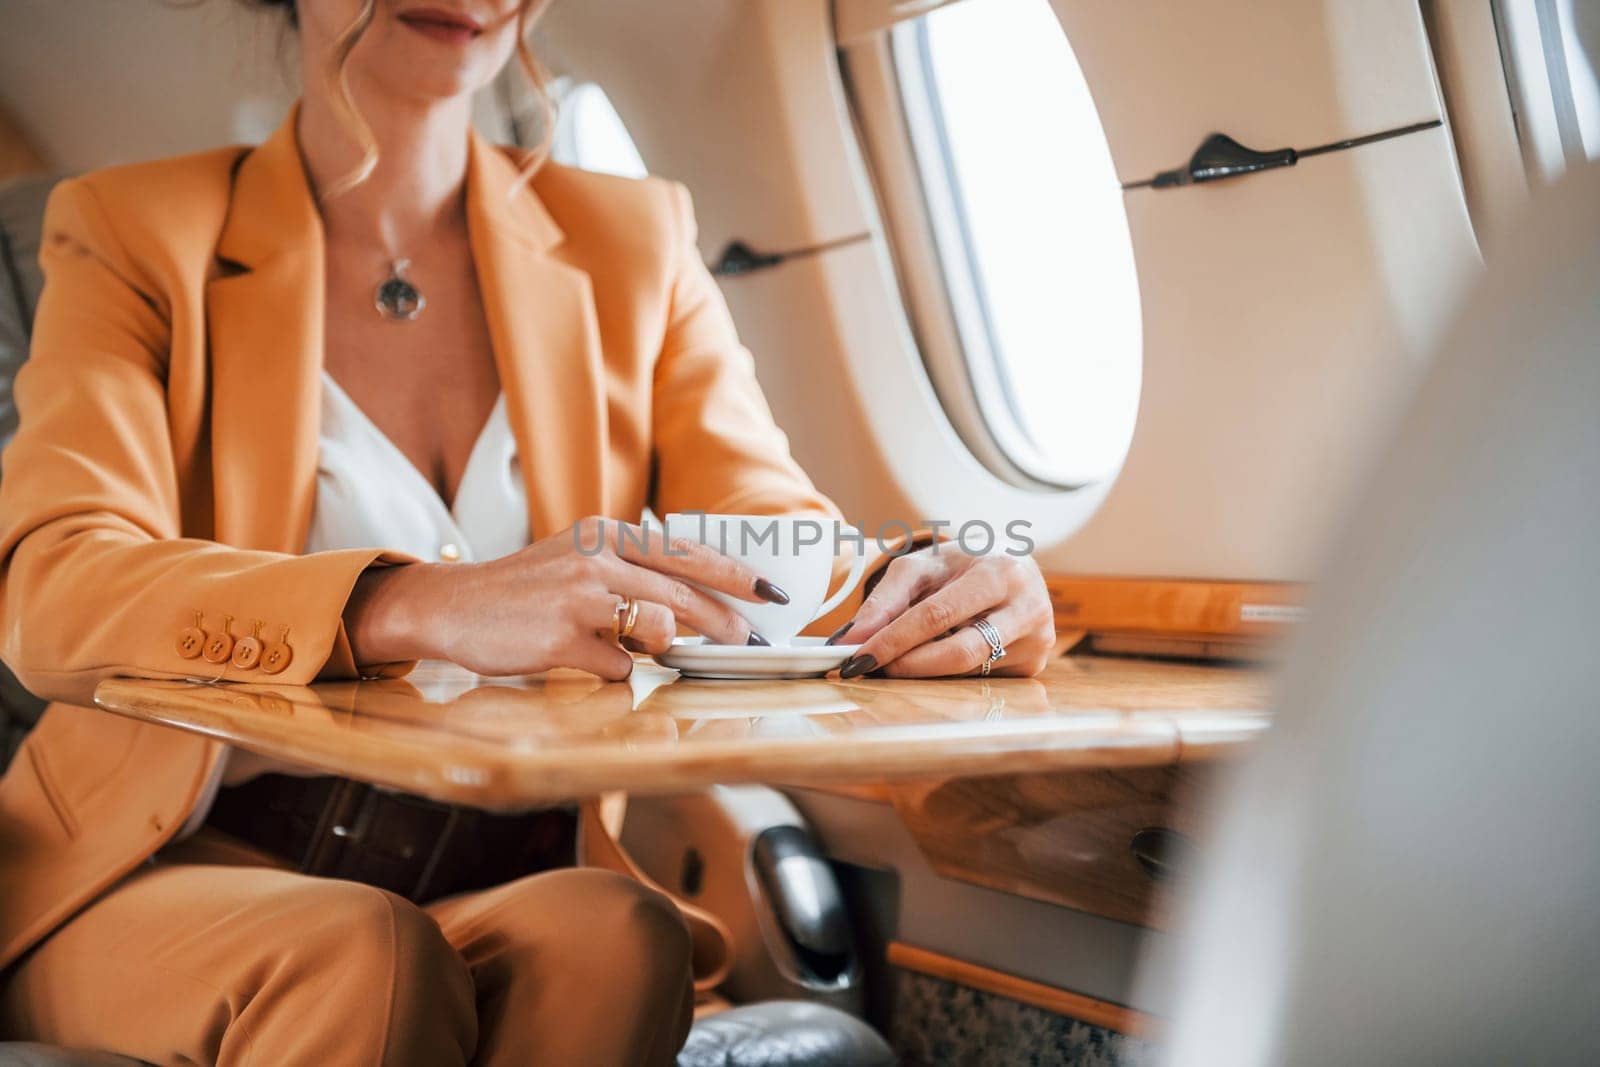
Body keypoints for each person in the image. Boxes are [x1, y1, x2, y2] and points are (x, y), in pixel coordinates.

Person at [0, 0, 1055, 1062]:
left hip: (498, 871)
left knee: (621, 932)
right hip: (157, 867)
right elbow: (54, 577)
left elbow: (770, 528)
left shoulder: (634, 238)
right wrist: (414, 603)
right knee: (363, 954)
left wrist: (926, 587)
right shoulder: (135, 228)